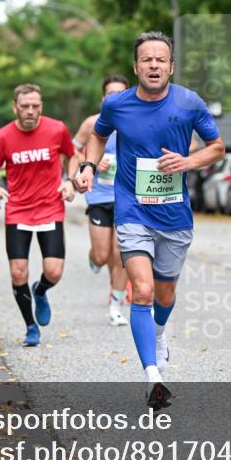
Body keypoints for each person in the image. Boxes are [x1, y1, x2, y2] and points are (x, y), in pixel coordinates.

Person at [75, 31, 225, 408]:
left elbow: (217, 147)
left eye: (161, 59)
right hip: (132, 210)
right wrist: (90, 166)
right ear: (136, 66)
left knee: (164, 294)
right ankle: (152, 376)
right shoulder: (117, 105)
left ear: (171, 66)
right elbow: (97, 135)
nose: (154, 65)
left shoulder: (189, 102)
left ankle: (159, 334)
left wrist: (187, 162)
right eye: (147, 59)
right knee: (140, 290)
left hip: (174, 214)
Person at [0, 84, 78, 347]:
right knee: (18, 272)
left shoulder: (57, 129)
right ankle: (30, 327)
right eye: (25, 106)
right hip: (18, 210)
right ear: (15, 107)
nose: (30, 111)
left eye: (35, 106)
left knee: (54, 271)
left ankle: (41, 290)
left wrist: (70, 180)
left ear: (41, 107)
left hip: (50, 207)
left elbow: (72, 155)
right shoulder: (2, 137)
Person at [73, 75, 131, 327]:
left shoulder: (134, 122)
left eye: (120, 93)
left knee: (121, 251)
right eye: (110, 93)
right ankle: (94, 259)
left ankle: (115, 304)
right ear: (103, 97)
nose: (115, 97)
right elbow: (72, 150)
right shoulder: (92, 123)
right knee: (101, 254)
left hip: (127, 197)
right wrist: (91, 161)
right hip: (98, 196)